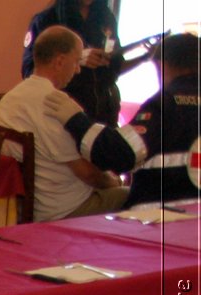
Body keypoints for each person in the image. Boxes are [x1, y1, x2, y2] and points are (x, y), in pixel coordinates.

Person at [43, 31, 201, 209]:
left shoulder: (165, 105)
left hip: (160, 218)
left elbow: (119, 152)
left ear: (162, 65)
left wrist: (75, 119)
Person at [0, 26, 131, 222]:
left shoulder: (9, 99)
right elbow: (89, 175)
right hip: (64, 210)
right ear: (60, 61)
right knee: (135, 195)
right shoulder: (56, 104)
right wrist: (114, 181)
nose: (77, 69)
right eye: (76, 62)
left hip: (21, 209)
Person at [21, 0, 127, 125]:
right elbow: (29, 71)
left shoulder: (106, 17)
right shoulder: (47, 19)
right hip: (66, 113)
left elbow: (116, 65)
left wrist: (143, 57)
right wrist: (75, 59)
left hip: (105, 112)